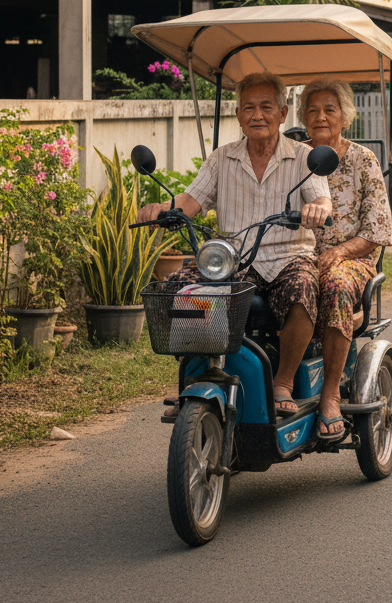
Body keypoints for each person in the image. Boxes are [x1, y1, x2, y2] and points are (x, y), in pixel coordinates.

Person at [140, 72, 332, 419]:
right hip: (233, 259)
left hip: (288, 254)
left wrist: (317, 209)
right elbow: (191, 200)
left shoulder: (305, 157)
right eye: (248, 108)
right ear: (239, 115)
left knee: (303, 289)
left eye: (266, 107)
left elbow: (322, 198)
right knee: (181, 288)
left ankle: (283, 382)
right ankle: (193, 376)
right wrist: (163, 209)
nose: (257, 115)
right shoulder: (222, 158)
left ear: (283, 113)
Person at [300, 76, 392, 442]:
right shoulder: (293, 155)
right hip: (297, 257)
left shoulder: (361, 159)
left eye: (329, 109)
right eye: (313, 110)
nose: (320, 117)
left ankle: (331, 394)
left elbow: (376, 230)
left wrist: (337, 252)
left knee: (336, 284)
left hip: (351, 261)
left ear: (345, 117)